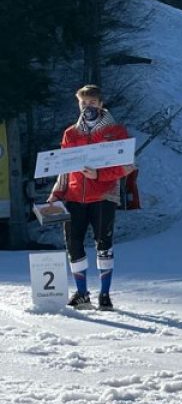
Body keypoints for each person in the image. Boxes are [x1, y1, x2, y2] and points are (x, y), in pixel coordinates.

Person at [47, 85, 135, 311]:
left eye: (92, 103)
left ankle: (104, 295)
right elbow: (64, 167)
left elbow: (126, 166)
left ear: (101, 104)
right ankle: (82, 294)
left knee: (103, 244)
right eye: (83, 103)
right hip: (75, 196)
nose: (88, 107)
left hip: (104, 195)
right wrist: (56, 194)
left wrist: (99, 175)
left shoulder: (116, 131)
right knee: (73, 244)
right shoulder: (71, 133)